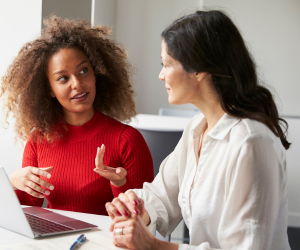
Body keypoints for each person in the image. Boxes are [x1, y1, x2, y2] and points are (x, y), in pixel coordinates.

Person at [105, 10, 291, 250]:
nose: (161, 75)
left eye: (166, 64)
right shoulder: (196, 128)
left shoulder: (251, 142)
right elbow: (163, 195)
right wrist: (135, 207)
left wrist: (155, 246)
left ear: (200, 70)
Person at [0, 16, 154, 216]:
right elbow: (28, 211)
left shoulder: (127, 140)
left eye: (83, 71)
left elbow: (143, 218)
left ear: (95, 74)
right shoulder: (38, 140)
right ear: (49, 89)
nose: (77, 83)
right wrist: (13, 183)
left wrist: (119, 183)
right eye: (63, 78)